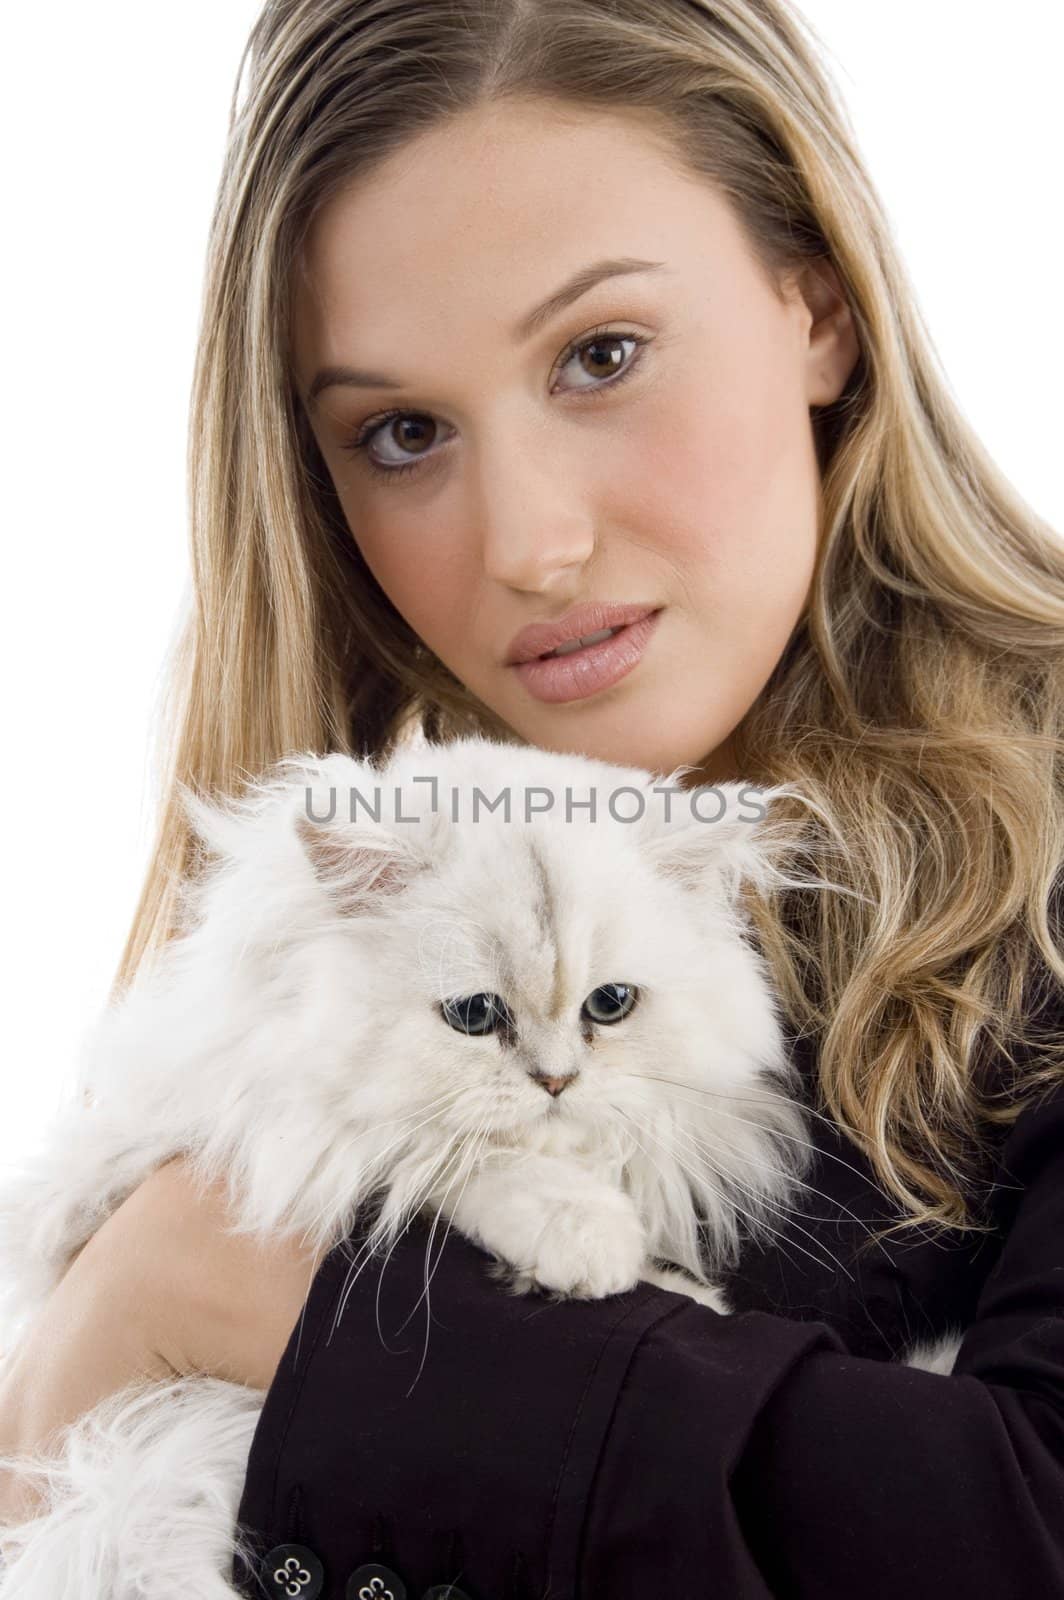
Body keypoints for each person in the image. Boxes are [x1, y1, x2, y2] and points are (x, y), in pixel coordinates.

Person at [2, 0, 1063, 1592]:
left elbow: (1031, 1521)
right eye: (404, 432)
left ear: (819, 306)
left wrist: (249, 1308)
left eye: (602, 356)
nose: (527, 544)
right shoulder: (351, 899)